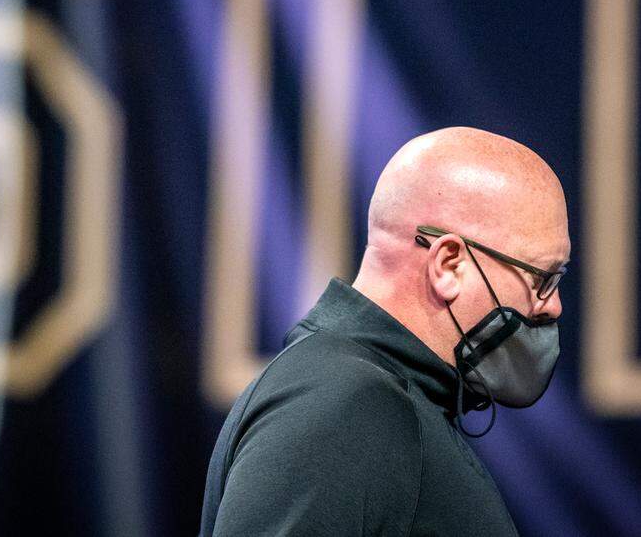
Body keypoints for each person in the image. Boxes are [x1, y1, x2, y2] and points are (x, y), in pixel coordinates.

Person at [198, 127, 570, 536]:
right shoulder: (343, 404)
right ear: (448, 265)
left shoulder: (363, 394)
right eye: (543, 279)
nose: (552, 305)